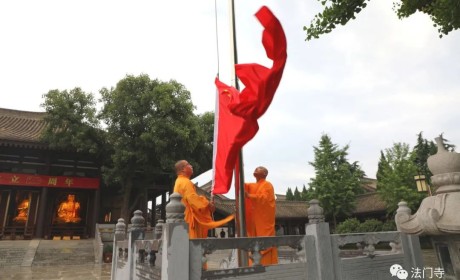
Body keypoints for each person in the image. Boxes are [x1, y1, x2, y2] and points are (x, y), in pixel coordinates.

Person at [173, 160, 234, 239]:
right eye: (188, 164)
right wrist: (207, 203)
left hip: (183, 219)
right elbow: (193, 200)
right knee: (192, 247)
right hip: (188, 221)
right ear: (183, 169)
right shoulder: (185, 182)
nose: (191, 166)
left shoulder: (179, 181)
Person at [244, 166, 278, 265]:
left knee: (264, 242)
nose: (256, 169)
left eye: (259, 168)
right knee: (254, 242)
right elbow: (244, 186)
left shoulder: (268, 185)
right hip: (255, 220)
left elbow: (265, 198)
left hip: (263, 221)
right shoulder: (254, 186)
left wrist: (250, 196)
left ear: (265, 173)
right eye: (255, 168)